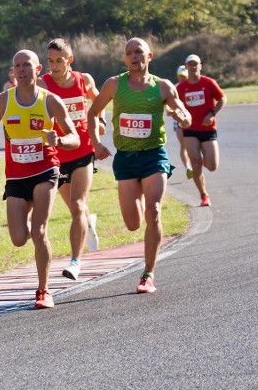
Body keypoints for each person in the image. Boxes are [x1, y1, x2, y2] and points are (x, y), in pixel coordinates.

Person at [87, 37, 191, 294]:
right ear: (125, 58)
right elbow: (93, 113)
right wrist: (96, 144)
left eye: (138, 52)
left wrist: (182, 116)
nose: (134, 56)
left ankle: (148, 274)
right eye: (129, 53)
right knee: (133, 223)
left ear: (149, 56)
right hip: (126, 159)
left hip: (154, 155)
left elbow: (184, 114)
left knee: (154, 211)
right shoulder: (114, 84)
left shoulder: (164, 87)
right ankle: (137, 202)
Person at [0, 50, 80, 309]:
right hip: (16, 175)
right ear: (12, 71)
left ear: (38, 70)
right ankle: (25, 215)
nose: (22, 69)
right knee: (18, 238)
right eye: (17, 65)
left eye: (27, 65)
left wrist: (59, 140)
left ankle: (43, 291)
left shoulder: (51, 101)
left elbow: (75, 137)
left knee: (39, 231)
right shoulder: (3, 100)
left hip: (45, 171)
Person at [38, 38, 103, 280]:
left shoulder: (83, 80)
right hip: (57, 155)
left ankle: (75, 262)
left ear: (70, 60)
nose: (54, 66)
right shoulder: (41, 84)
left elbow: (98, 102)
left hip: (83, 151)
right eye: (50, 61)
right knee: (76, 209)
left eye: (59, 61)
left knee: (77, 205)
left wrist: (102, 122)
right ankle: (89, 220)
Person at [176, 54, 227, 207]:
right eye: (190, 64)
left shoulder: (208, 83)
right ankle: (204, 195)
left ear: (200, 66)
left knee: (212, 166)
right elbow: (174, 105)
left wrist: (212, 114)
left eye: (195, 64)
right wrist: (177, 114)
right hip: (190, 129)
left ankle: (203, 159)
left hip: (207, 129)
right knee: (196, 163)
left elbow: (222, 98)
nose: (193, 67)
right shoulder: (181, 88)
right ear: (185, 66)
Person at [172, 65, 194, 179]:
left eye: (184, 76)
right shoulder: (174, 88)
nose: (182, 78)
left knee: (193, 144)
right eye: (180, 76)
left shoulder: (192, 87)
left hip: (192, 120)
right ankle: (188, 168)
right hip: (179, 121)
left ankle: (194, 164)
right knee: (184, 144)